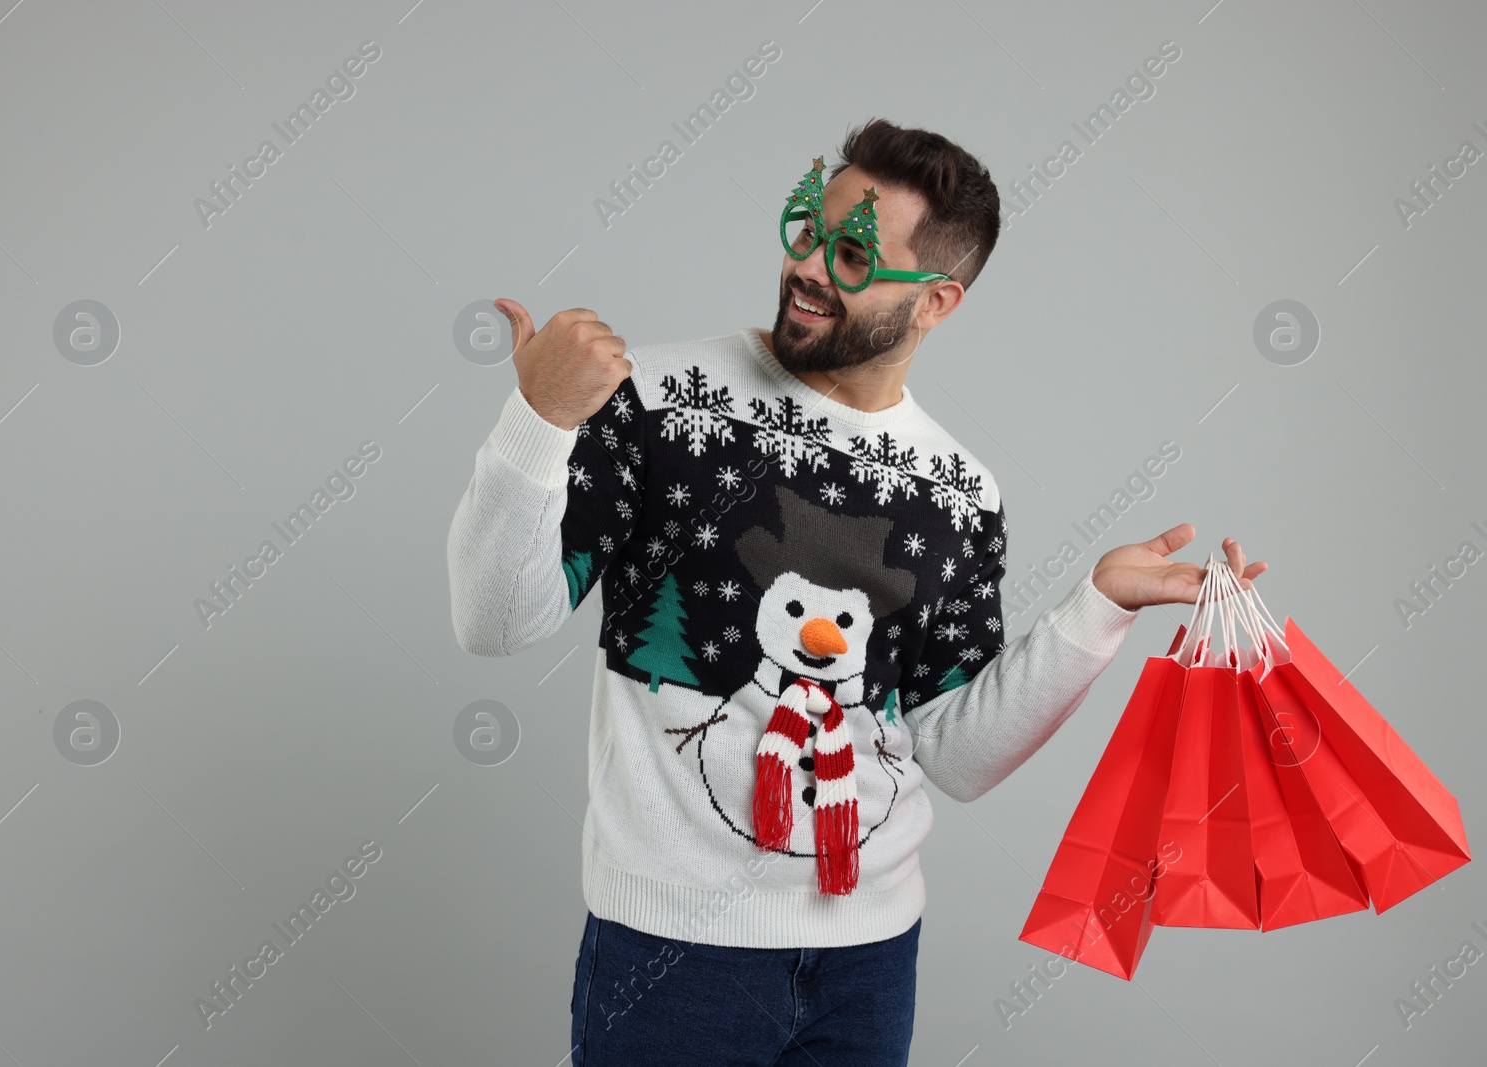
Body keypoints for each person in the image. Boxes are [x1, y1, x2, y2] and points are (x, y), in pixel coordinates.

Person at [446, 118, 1265, 1066]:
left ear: (938, 301)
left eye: (851, 255)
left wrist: (1099, 607)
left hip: (867, 964)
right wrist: (537, 420)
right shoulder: (654, 399)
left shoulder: (962, 493)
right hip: (670, 954)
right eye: (807, 232)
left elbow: (953, 753)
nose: (809, 268)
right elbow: (494, 620)